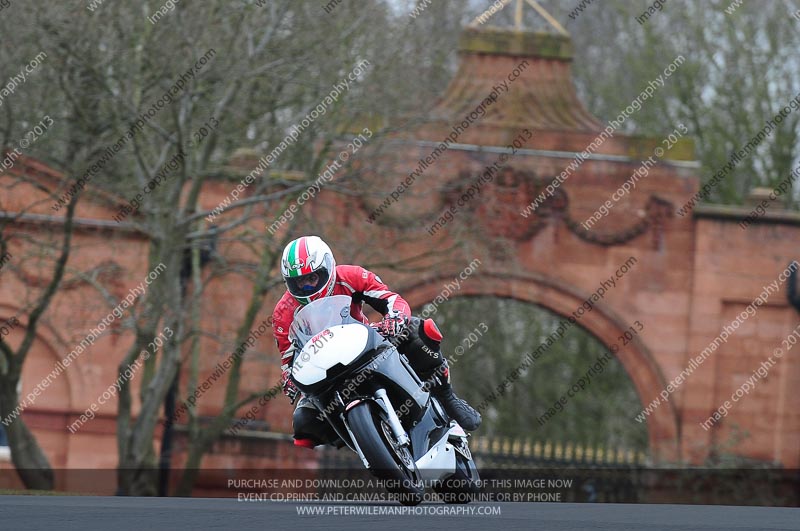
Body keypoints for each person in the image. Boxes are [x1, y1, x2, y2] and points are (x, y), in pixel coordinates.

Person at [272, 235, 481, 449]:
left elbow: (391, 299)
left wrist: (395, 319)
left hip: (365, 344)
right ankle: (359, 441)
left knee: (419, 331)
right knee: (303, 423)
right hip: (325, 372)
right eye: (299, 282)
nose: (306, 287)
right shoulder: (283, 313)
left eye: (312, 278)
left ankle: (447, 396)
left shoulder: (350, 276)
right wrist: (290, 380)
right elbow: (289, 359)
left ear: (327, 268)